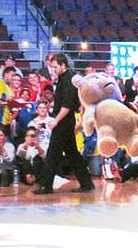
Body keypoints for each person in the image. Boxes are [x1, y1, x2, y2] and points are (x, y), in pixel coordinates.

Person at [32, 54, 93, 195]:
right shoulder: (63, 78)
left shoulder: (70, 80)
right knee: (72, 154)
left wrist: (56, 120)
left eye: (55, 67)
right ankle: (86, 183)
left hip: (64, 121)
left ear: (63, 65)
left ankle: (46, 185)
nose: (53, 70)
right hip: (65, 120)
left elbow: (67, 105)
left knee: (53, 153)